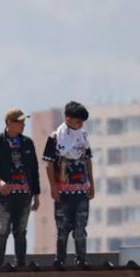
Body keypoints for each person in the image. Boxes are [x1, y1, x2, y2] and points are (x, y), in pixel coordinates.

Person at [0, 108, 41, 267]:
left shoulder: (27, 143)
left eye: (24, 122)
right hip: (5, 195)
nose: (23, 125)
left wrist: (36, 194)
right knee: (2, 230)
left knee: (21, 232)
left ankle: (20, 263)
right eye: (19, 122)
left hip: (24, 194)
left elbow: (34, 169)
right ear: (9, 123)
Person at [43, 101, 94, 267]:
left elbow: (87, 160)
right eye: (78, 121)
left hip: (81, 191)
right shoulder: (55, 138)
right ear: (69, 119)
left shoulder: (83, 136)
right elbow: (49, 164)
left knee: (80, 230)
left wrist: (91, 183)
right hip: (63, 192)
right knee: (62, 230)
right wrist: (52, 187)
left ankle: (81, 259)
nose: (80, 125)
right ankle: (60, 260)